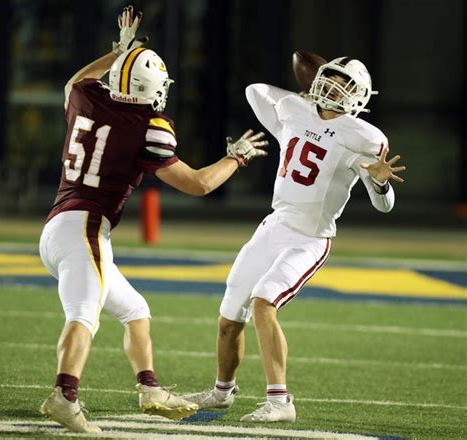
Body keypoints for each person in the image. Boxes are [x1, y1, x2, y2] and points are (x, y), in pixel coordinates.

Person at [38, 5, 268, 433]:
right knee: (83, 316)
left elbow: (76, 79)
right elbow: (198, 184)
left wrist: (120, 50)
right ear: (156, 89)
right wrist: (235, 157)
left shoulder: (86, 96)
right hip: (85, 227)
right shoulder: (149, 125)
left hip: (59, 227)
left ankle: (150, 389)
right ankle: (64, 396)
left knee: (135, 310)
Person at [182, 56, 406, 422]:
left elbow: (384, 205)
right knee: (228, 318)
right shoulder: (293, 110)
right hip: (274, 226)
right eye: (329, 79)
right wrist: (300, 94)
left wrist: (379, 180)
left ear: (359, 95)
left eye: (343, 83)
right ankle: (222, 393)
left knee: (264, 302)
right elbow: (256, 92)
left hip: (309, 238)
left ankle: (280, 402)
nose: (333, 87)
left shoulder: (365, 136)